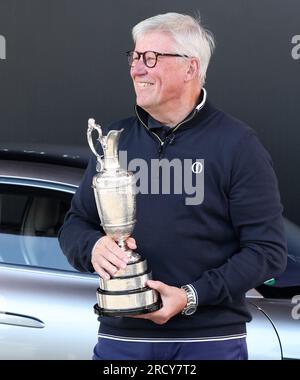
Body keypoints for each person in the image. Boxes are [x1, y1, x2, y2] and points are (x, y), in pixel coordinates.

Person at [58, 12, 287, 360]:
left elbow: (267, 251)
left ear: (190, 68)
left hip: (208, 343)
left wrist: (192, 296)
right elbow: (74, 225)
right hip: (122, 342)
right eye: (135, 58)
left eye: (151, 58)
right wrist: (92, 247)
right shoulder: (113, 144)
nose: (137, 69)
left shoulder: (238, 145)